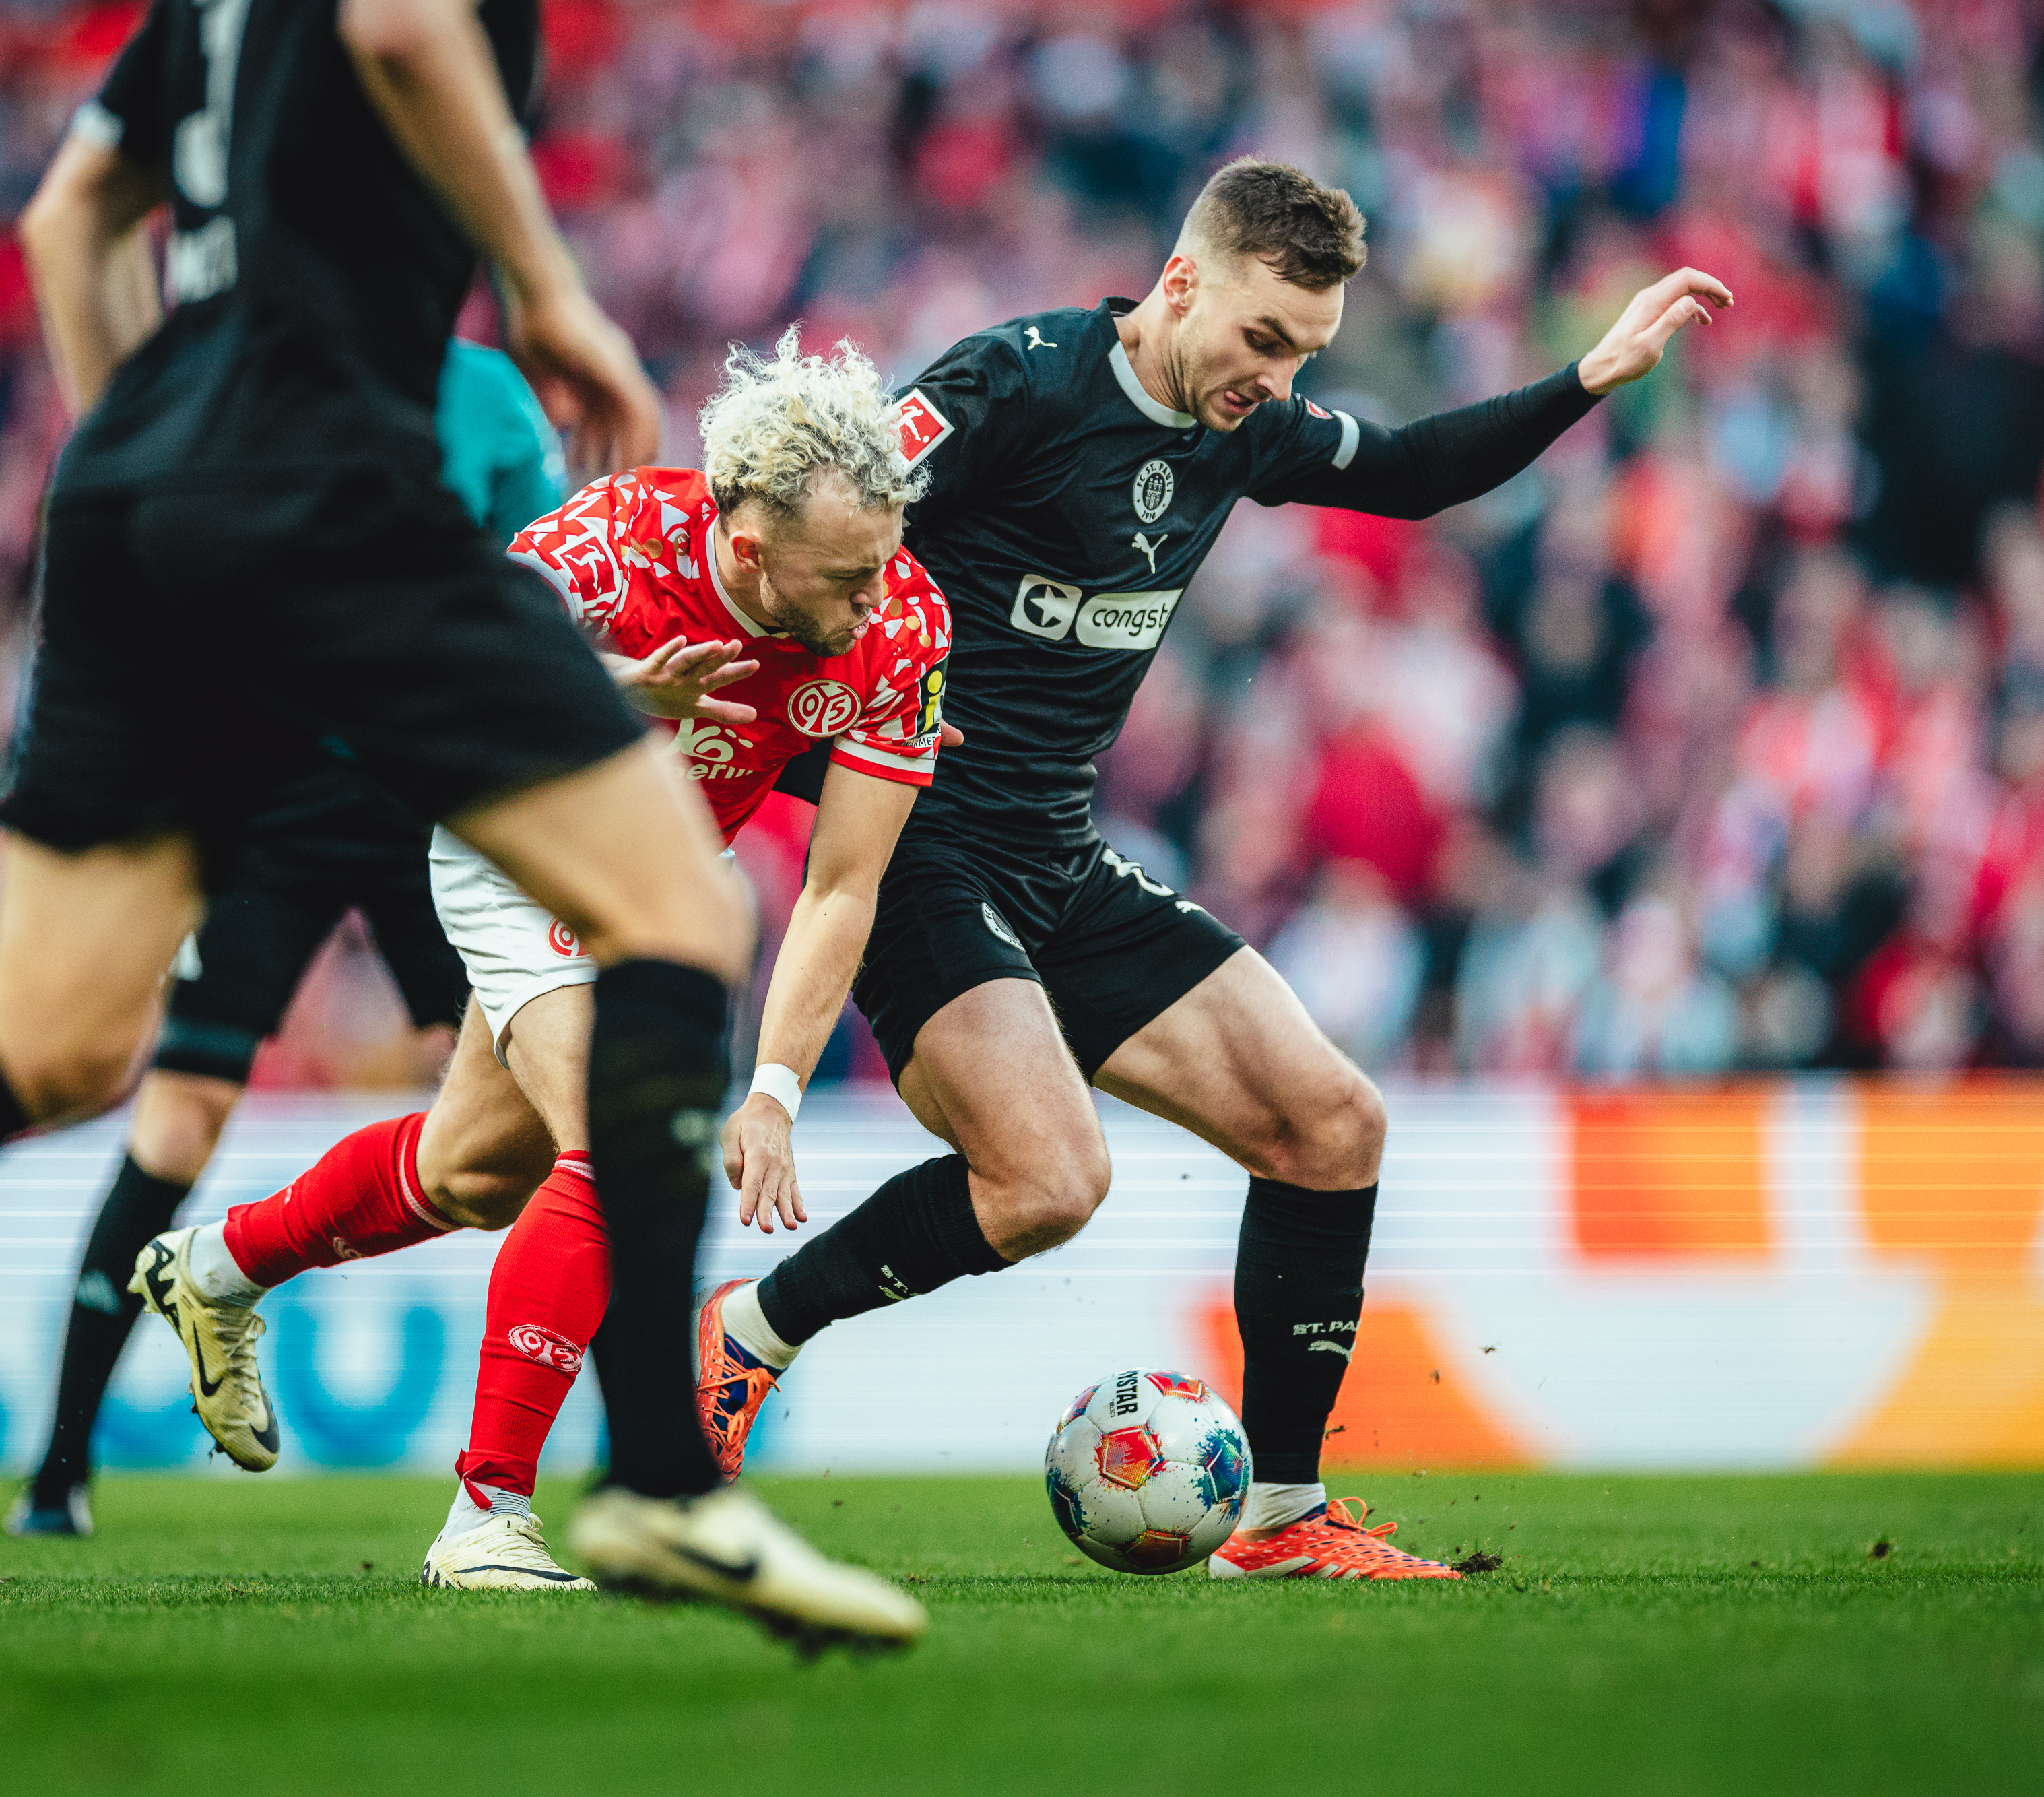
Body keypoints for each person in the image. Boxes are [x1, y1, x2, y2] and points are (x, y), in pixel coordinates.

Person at [0, 0, 921, 1648]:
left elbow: (65, 222)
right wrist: (542, 280)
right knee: (683, 913)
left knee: (50, 1042)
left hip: (133, 488)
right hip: (329, 468)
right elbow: (400, 24)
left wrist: (160, 474)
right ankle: (649, 1472)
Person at [690, 157, 1728, 1581]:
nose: (1278, 380)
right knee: (1050, 1180)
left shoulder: (1242, 432)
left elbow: (1411, 471)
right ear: (1179, 283)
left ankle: (1284, 1515)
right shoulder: (1015, 383)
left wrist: (1586, 379)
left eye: (1305, 353)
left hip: (1058, 858)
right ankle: (750, 1329)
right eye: (1262, 339)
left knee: (1332, 1125)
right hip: (918, 856)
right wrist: (780, 710)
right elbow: (820, 514)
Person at [130, 330, 950, 1592]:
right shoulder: (612, 545)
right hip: (519, 835)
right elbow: (425, 676)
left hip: (659, 886)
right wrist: (615, 692)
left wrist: (777, 1091)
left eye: (884, 563)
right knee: (621, 1151)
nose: (874, 600)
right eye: (846, 577)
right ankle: (486, 1518)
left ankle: (215, 1268)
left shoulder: (905, 623)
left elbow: (843, 883)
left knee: (470, 1174)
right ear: (746, 547)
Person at [4, 339, 562, 1540]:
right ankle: (58, 1470)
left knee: (536, 1113)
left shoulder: (483, 397)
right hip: (265, 800)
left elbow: (545, 584)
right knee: (180, 1117)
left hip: (430, 795)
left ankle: (627, 1462)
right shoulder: (251, 378)